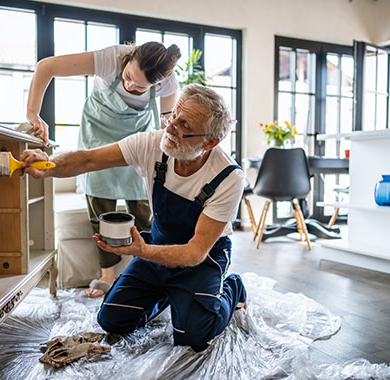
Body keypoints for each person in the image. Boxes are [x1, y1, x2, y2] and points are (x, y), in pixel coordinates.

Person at [19, 84, 247, 352]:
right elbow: (89, 160)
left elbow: (196, 252)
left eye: (183, 124)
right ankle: (169, 293)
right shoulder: (153, 144)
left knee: (193, 338)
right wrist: (48, 165)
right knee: (112, 320)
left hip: (202, 259)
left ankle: (234, 287)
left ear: (210, 142)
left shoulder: (228, 177)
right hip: (158, 246)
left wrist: (142, 251)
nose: (170, 127)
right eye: (172, 115)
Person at [25, 42, 182, 297]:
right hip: (98, 133)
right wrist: (33, 113)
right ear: (128, 59)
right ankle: (106, 274)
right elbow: (47, 66)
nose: (131, 86)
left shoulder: (168, 82)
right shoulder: (110, 59)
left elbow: (166, 125)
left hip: (136, 139)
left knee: (144, 211)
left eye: (141, 87)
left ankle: (147, 273)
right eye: (129, 77)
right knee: (101, 208)